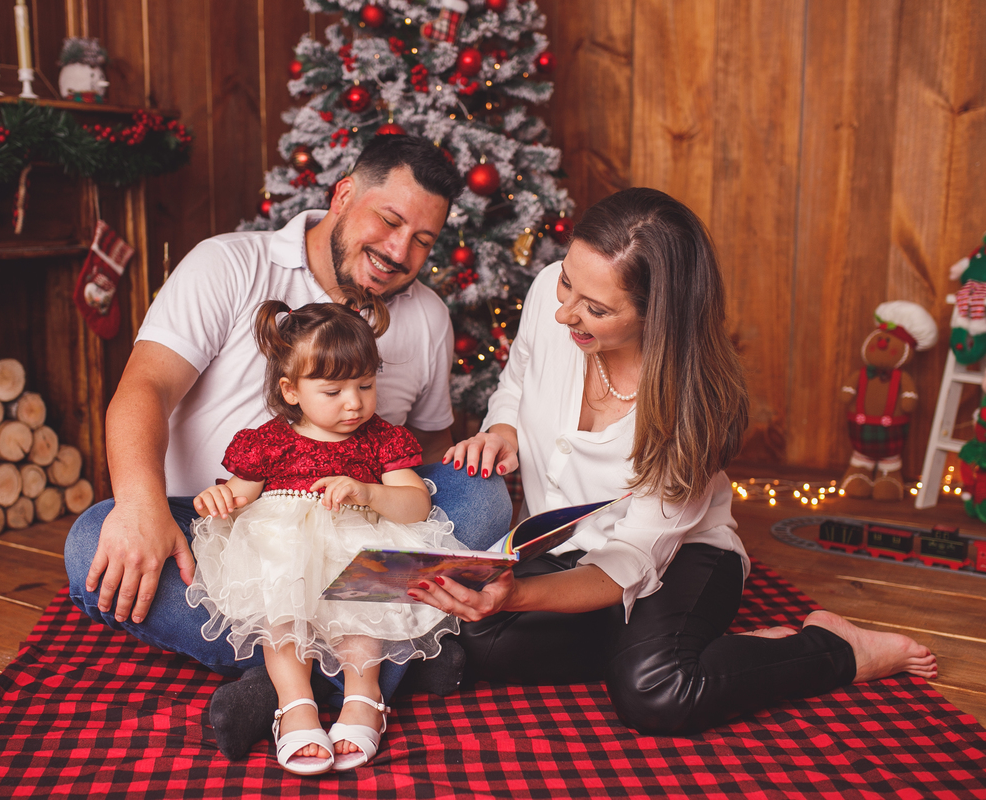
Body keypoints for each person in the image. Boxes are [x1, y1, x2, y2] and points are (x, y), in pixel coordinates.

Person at [413, 187, 937, 734]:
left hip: (679, 558)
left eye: (596, 309)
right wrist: (501, 431)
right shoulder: (555, 290)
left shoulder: (694, 406)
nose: (564, 311)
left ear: (658, 314)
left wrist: (521, 594)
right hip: (567, 547)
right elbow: (518, 380)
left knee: (657, 694)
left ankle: (834, 648)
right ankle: (692, 649)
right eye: (568, 281)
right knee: (481, 637)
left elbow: (632, 559)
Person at [63, 135, 512, 758]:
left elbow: (429, 449)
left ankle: (278, 689)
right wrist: (141, 506)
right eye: (389, 221)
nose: (399, 252)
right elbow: (143, 388)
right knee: (92, 541)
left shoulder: (427, 315)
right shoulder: (228, 264)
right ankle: (376, 673)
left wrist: (413, 481)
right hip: (225, 531)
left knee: (483, 497)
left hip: (355, 533)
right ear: (344, 194)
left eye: (423, 242)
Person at [187, 292, 461, 774]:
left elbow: (417, 505)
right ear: (291, 390)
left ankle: (363, 695)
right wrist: (219, 500)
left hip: (354, 545)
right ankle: (295, 703)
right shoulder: (268, 440)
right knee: (283, 615)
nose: (354, 403)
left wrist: (368, 492)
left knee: (363, 608)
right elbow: (239, 493)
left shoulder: (381, 438)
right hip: (281, 550)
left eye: (366, 385)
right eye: (333, 392)